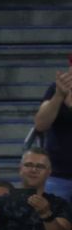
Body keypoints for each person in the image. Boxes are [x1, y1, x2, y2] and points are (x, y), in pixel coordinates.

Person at [32, 66, 72, 196]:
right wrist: (59, 95)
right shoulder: (56, 89)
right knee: (51, 215)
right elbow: (40, 124)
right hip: (57, 174)